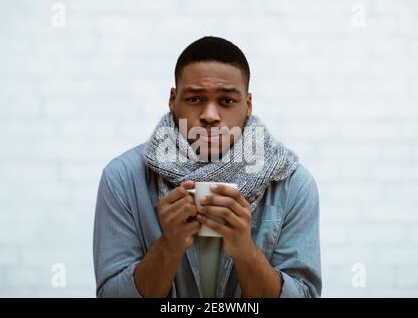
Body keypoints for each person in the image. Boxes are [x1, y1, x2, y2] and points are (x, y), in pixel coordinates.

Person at [93, 36, 321, 298]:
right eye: (195, 99)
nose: (210, 115)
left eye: (226, 101)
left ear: (247, 105)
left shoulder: (292, 183)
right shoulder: (122, 178)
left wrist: (245, 251)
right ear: (173, 100)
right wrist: (169, 245)